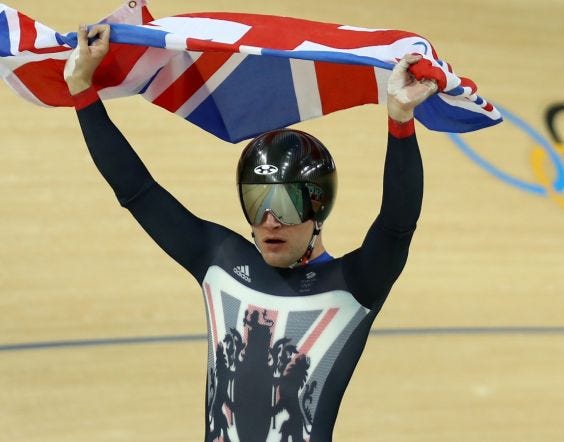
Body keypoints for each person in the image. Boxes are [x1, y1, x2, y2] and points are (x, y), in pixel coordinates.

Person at [66, 23, 437, 442]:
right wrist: (82, 90)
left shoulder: (354, 285)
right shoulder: (219, 258)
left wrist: (400, 120)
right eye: (255, 203)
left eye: (282, 204)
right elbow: (137, 191)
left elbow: (396, 225)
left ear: (318, 208)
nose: (268, 221)